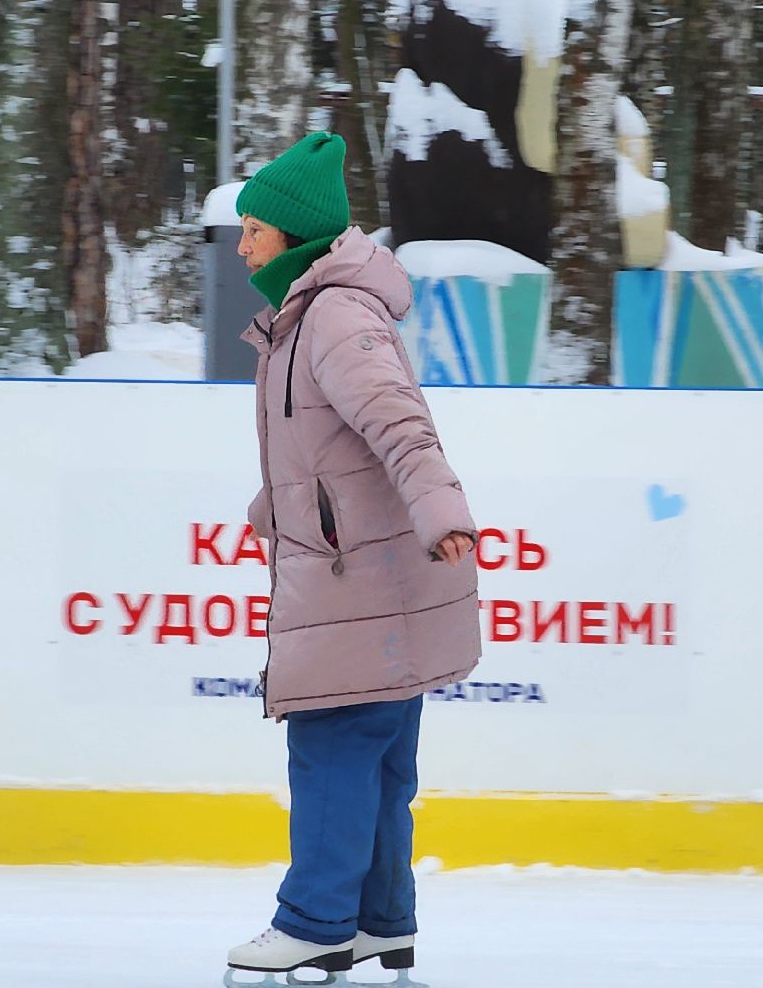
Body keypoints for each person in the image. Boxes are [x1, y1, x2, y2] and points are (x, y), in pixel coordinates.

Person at [226, 131, 482, 980]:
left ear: (292, 235)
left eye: (254, 228)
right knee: (376, 752)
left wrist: (440, 510)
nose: (242, 244)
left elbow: (399, 423)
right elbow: (330, 451)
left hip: (362, 580)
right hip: (364, 572)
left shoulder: (334, 316)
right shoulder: (307, 315)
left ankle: (314, 920)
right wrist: (279, 510)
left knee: (332, 744)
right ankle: (378, 919)